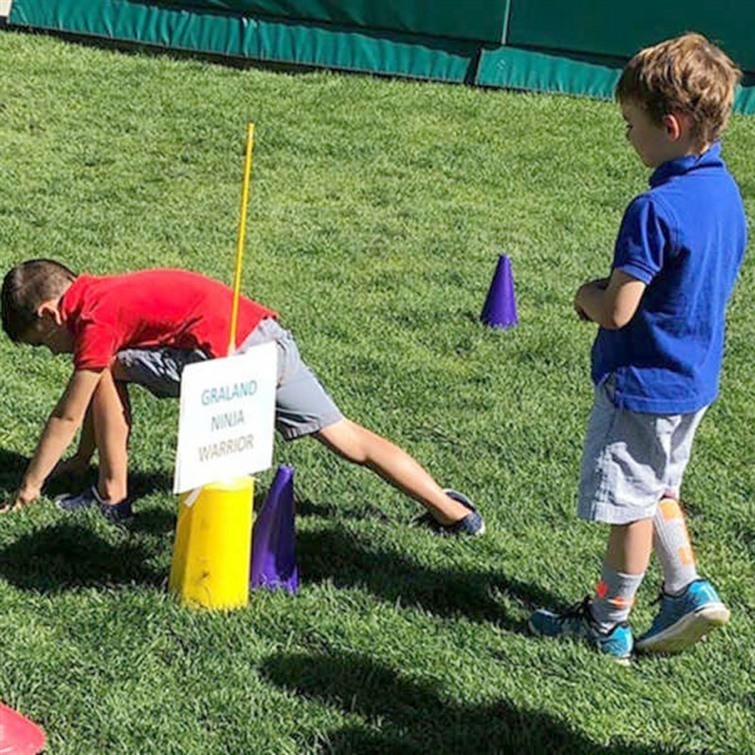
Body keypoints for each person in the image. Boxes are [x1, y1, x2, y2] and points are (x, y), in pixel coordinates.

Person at [529, 33, 746, 660]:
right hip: (693, 379)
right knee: (659, 489)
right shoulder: (725, 193)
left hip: (642, 383)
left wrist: (584, 295)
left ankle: (607, 624)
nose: (627, 136)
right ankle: (685, 588)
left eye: (631, 124)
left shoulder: (655, 208)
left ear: (670, 126)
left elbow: (618, 310)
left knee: (628, 507)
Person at [0, 262, 484, 536]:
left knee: (105, 366)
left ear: (48, 315)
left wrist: (29, 487)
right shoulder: (105, 292)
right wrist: (80, 457)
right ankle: (454, 513)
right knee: (349, 438)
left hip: (230, 363)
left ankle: (112, 496)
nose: (53, 351)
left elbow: (67, 414)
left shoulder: (95, 319)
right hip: (270, 344)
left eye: (43, 343)